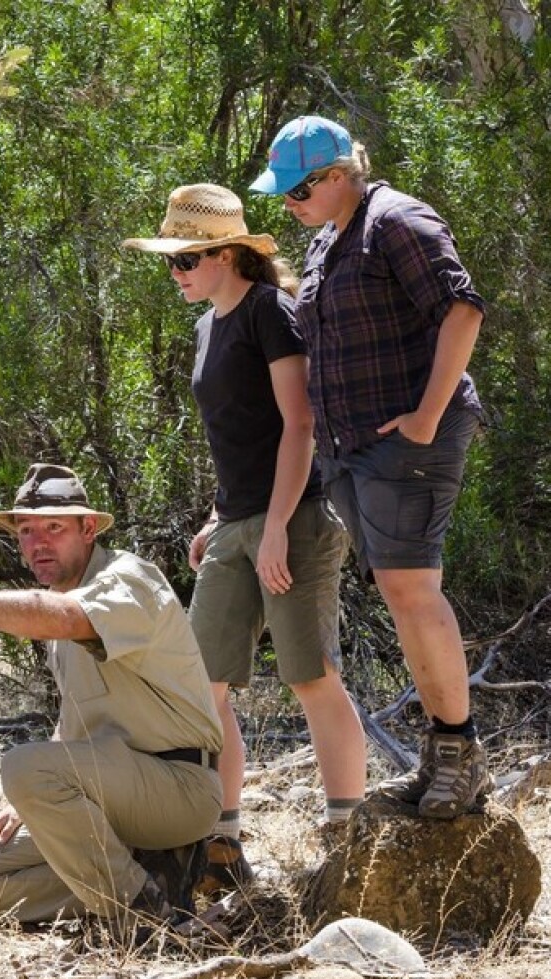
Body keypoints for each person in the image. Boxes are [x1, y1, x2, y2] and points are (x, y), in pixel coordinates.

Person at [250, 115, 490, 819]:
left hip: (405, 441)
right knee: (399, 592)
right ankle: (445, 756)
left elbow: (462, 311)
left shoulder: (396, 220)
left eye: (296, 189)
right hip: (353, 448)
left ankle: (458, 756)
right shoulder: (329, 238)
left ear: (333, 176)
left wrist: (423, 415)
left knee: (412, 590)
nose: (288, 205)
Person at [0, 464, 223, 939]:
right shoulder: (62, 605)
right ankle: (151, 876)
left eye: (54, 527)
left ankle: (142, 914)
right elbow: (74, 719)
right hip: (112, 793)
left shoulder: (128, 579)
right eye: (26, 530)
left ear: (88, 528)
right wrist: (34, 803)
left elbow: (61, 618)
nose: (37, 542)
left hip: (177, 790)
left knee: (22, 767)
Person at [122, 184, 367, 855]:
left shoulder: (270, 312)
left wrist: (278, 527)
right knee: (205, 687)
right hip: (237, 522)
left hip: (299, 517)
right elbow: (236, 437)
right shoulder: (206, 325)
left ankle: (347, 827)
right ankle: (220, 838)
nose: (175, 274)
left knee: (309, 676)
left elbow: (299, 425)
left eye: (185, 261)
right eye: (170, 262)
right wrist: (216, 518)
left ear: (227, 255)